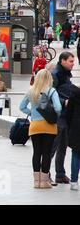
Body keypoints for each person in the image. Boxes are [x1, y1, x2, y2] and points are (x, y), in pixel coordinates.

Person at [20, 69, 62, 189]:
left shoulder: (31, 91)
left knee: (36, 152)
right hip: (49, 126)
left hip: (35, 126)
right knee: (46, 153)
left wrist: (32, 114)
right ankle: (44, 182)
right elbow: (58, 108)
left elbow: (22, 107)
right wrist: (54, 116)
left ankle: (36, 181)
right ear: (49, 78)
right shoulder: (51, 91)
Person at [51, 52, 75, 184]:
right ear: (63, 61)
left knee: (63, 145)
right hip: (58, 115)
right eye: (71, 61)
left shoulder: (65, 74)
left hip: (66, 115)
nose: (73, 64)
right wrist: (63, 102)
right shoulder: (55, 75)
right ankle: (45, 173)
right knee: (54, 145)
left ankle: (60, 174)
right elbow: (49, 93)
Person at [66, 83, 80, 190]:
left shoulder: (74, 93)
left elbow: (69, 112)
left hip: (76, 126)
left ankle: (74, 181)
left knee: (76, 154)